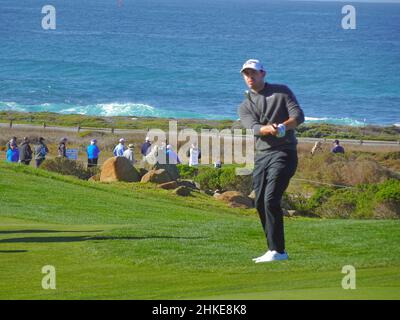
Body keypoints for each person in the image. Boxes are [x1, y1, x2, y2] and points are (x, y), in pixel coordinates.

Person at [238, 59, 305, 263]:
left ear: (263, 73)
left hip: (284, 153)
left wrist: (283, 127)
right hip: (262, 156)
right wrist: (270, 129)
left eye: (254, 73)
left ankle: (279, 251)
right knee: (259, 202)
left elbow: (298, 116)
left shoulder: (281, 92)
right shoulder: (244, 105)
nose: (250, 77)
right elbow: (255, 128)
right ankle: (272, 249)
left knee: (270, 199)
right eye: (246, 74)